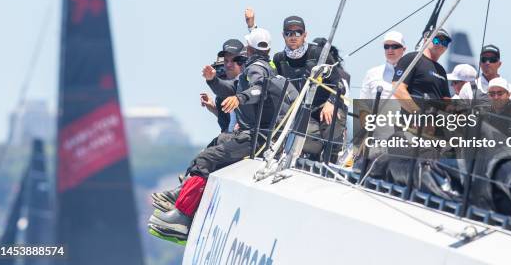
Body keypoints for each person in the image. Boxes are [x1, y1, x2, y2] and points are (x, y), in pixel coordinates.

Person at [148, 28, 277, 241]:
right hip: (251, 134)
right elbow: (232, 88)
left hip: (256, 137)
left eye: (234, 59)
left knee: (206, 159)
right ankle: (182, 200)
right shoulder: (257, 68)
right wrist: (214, 83)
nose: (228, 64)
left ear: (247, 51)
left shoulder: (256, 69)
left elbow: (258, 89)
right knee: (207, 153)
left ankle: (182, 217)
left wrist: (240, 98)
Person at [270, 16, 343, 161]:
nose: (293, 37)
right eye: (288, 33)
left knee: (332, 119)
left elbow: (338, 83)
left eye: (298, 32)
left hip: (323, 107)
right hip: (298, 110)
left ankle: (330, 161)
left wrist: (331, 102)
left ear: (305, 35)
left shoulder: (319, 54)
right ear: (283, 35)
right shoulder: (278, 59)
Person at [392, 28, 452, 113]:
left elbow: (446, 101)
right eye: (437, 40)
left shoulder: (441, 70)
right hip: (411, 122)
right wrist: (415, 112)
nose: (441, 45)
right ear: (426, 40)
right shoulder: (412, 59)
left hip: (433, 123)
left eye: (445, 43)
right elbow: (397, 88)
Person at [200, 39, 246, 133]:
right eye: (226, 61)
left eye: (233, 60)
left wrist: (212, 80)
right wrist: (213, 108)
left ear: (241, 61)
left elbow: (228, 88)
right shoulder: (222, 89)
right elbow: (227, 123)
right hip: (227, 137)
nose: (228, 65)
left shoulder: (246, 83)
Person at [360, 31, 406, 99]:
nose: (390, 50)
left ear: (404, 49)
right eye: (386, 46)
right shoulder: (371, 73)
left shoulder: (412, 72)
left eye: (394, 46)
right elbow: (362, 104)